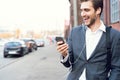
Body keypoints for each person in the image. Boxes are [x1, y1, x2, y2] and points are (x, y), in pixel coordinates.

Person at [56, 0, 120, 80]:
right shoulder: (74, 32)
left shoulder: (114, 36)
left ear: (98, 10)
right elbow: (69, 63)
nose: (82, 14)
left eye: (87, 10)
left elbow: (117, 69)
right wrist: (65, 54)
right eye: (81, 10)